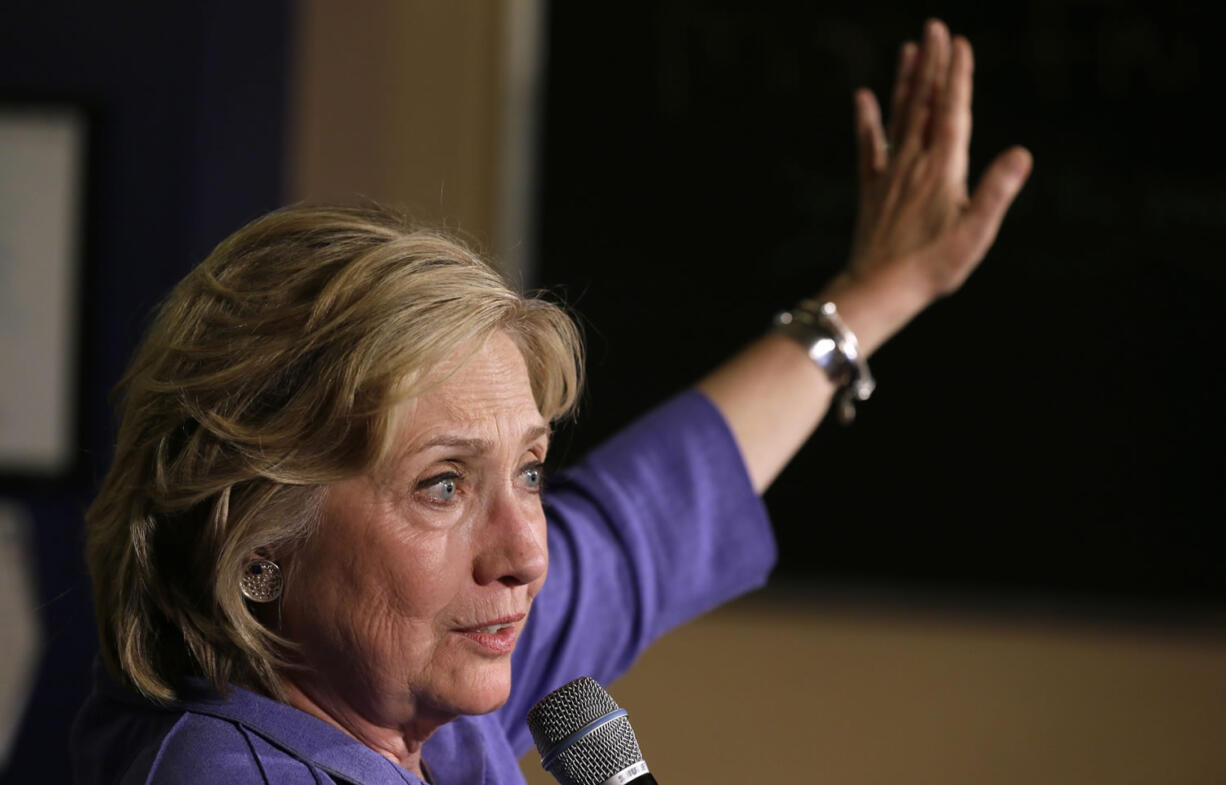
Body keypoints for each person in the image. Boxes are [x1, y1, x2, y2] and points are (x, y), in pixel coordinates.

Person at [71, 19, 1031, 785]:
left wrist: (877, 293)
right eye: (442, 484)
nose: (525, 551)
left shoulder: (417, 693)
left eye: (529, 469)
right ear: (257, 550)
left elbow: (644, 522)